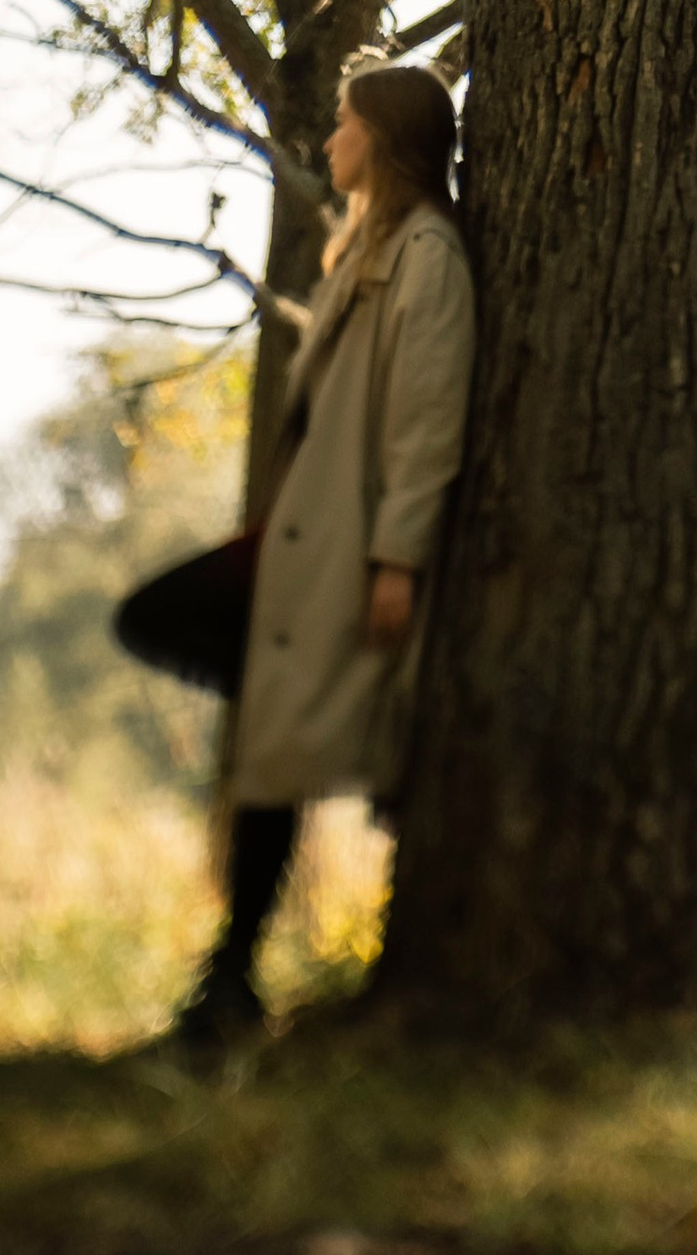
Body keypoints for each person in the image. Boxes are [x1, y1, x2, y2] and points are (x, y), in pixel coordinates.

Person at [171, 55, 475, 1053]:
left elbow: (428, 418)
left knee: (291, 758)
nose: (328, 140)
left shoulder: (424, 252)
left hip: (353, 556)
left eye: (343, 123)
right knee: (264, 737)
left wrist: (397, 558)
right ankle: (231, 978)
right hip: (312, 550)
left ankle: (230, 982)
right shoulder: (366, 249)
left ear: (380, 138)